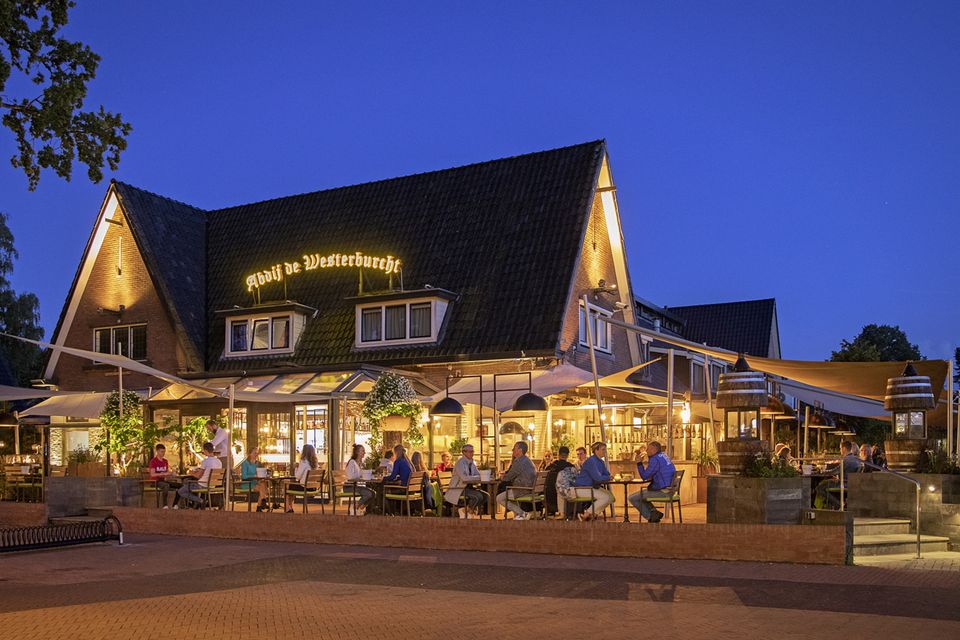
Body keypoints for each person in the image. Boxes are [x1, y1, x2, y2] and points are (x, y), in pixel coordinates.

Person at [628, 441, 676, 523]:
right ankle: (654, 513)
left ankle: (651, 516)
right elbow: (657, 472)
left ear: (654, 449)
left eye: (648, 449)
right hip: (670, 490)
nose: (646, 451)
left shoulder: (655, 459)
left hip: (664, 492)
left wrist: (639, 463)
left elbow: (644, 476)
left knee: (632, 498)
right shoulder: (663, 456)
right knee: (641, 496)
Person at [573, 442, 615, 521]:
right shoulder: (591, 461)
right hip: (582, 488)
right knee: (606, 497)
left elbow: (606, 474)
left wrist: (608, 476)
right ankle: (586, 515)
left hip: (591, 487)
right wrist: (608, 477)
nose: (605, 452)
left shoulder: (600, 462)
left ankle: (592, 515)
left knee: (611, 497)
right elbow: (598, 478)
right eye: (603, 450)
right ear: (596, 450)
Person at [495, 441, 538, 520]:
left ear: (520, 450)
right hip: (531, 489)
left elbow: (508, 477)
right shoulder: (528, 460)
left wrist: (501, 477)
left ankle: (522, 513)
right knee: (509, 494)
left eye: (514, 448)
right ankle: (519, 514)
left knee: (499, 498)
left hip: (522, 490)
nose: (512, 450)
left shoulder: (518, 461)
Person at [444, 444, 487, 518]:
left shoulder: (472, 462)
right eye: (470, 452)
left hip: (468, 488)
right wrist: (478, 477)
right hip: (458, 489)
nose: (472, 453)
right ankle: (468, 512)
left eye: (472, 451)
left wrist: (483, 476)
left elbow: (478, 474)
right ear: (464, 452)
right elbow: (465, 478)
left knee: (486, 496)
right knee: (478, 496)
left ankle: (466, 511)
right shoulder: (460, 463)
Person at [816, 440, 862, 509]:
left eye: (840, 448)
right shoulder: (856, 459)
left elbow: (835, 471)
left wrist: (823, 472)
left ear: (844, 449)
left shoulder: (846, 460)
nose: (840, 450)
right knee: (824, 484)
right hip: (850, 483)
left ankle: (838, 504)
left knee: (819, 487)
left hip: (843, 483)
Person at [176, 442, 223, 509]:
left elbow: (198, 476)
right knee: (189, 484)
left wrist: (191, 473)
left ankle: (200, 500)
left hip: (202, 485)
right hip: (212, 485)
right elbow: (207, 471)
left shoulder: (205, 461)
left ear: (205, 450)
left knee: (181, 491)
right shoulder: (219, 462)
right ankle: (195, 504)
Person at [285, 444, 319, 513]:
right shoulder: (315, 463)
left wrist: (296, 468)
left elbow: (297, 477)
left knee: (288, 486)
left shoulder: (303, 461)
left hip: (305, 487)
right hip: (313, 488)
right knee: (292, 486)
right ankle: (290, 507)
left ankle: (288, 508)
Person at [544, 446, 575, 516]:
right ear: (567, 455)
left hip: (550, 498)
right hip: (564, 495)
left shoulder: (550, 466)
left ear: (558, 454)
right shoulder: (571, 467)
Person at [344, 444, 374, 515]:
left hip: (355, 486)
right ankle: (355, 507)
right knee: (369, 494)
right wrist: (361, 475)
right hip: (349, 487)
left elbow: (360, 474)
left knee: (373, 494)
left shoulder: (360, 463)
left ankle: (360, 508)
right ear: (357, 452)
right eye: (362, 451)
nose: (364, 453)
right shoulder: (352, 462)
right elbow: (350, 477)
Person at [384, 445, 413, 515]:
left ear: (396, 452)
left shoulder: (398, 461)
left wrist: (384, 478)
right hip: (411, 489)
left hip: (404, 489)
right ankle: (395, 511)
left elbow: (392, 477)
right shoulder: (408, 462)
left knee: (385, 491)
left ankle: (390, 513)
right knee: (389, 488)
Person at [239, 447, 271, 512]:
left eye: (257, 453)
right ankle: (262, 503)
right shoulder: (245, 463)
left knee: (263, 483)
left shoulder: (258, 463)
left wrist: (265, 473)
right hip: (247, 483)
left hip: (256, 482)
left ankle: (261, 504)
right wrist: (254, 476)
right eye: (255, 453)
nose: (256, 454)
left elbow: (260, 473)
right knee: (263, 488)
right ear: (250, 454)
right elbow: (244, 476)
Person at [147, 443, 176, 508]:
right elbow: (152, 474)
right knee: (166, 485)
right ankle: (165, 505)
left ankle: (175, 504)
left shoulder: (165, 461)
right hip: (155, 482)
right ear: (157, 451)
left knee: (180, 486)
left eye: (164, 452)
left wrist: (171, 474)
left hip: (163, 481)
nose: (163, 453)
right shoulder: (153, 461)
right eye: (162, 451)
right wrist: (163, 474)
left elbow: (166, 473)